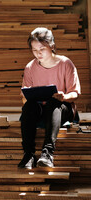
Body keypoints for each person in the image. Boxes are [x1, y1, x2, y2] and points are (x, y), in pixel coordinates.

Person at [18, 27, 81, 169]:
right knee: (29, 106)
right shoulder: (30, 67)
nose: (38, 53)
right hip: (41, 108)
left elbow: (75, 94)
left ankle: (47, 153)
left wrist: (63, 96)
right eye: (34, 50)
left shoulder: (66, 63)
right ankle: (29, 155)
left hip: (62, 107)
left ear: (52, 46)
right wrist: (28, 99)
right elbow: (24, 98)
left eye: (42, 49)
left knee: (53, 103)